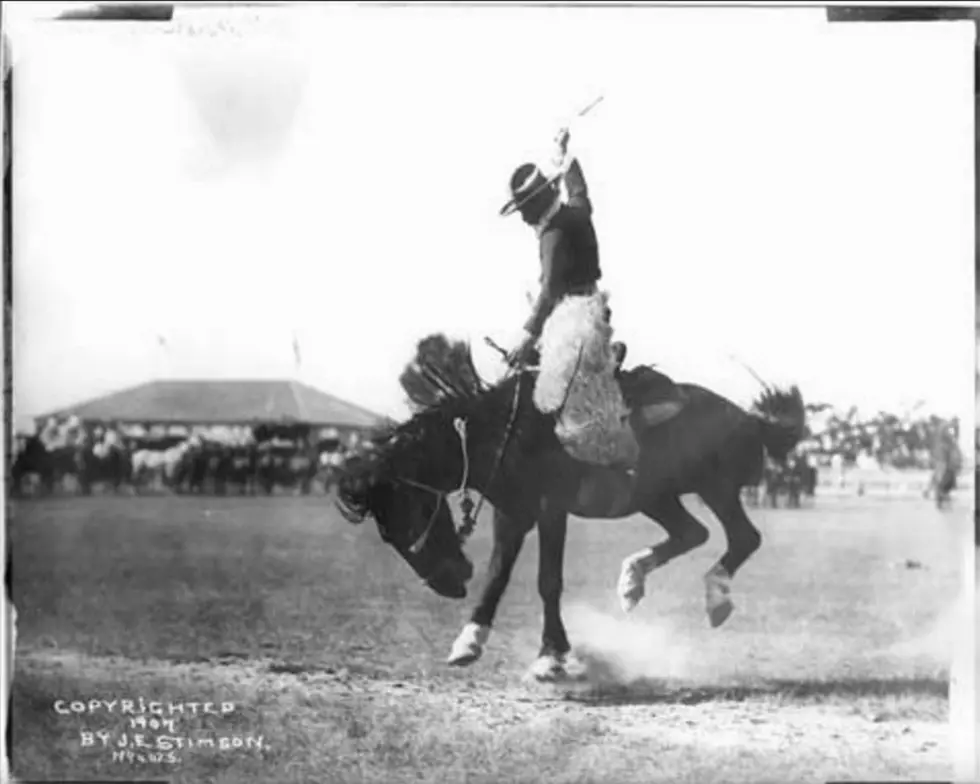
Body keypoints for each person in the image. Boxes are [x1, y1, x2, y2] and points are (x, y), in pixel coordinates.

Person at [500, 128, 625, 369]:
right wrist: (562, 153)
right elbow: (578, 190)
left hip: (574, 323)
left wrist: (527, 337)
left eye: (524, 209)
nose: (524, 218)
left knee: (551, 394)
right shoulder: (576, 211)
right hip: (594, 309)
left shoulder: (552, 237)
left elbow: (550, 289)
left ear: (535, 206)